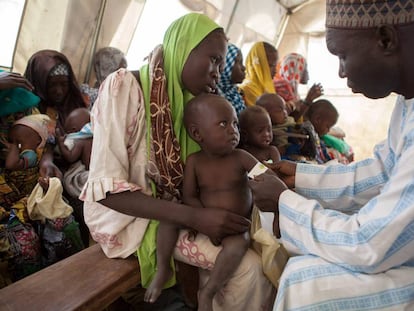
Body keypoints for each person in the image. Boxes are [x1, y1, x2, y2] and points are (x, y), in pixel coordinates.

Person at [80, 13, 273, 310]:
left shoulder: (195, 104)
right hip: (132, 221)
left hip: (181, 211)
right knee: (249, 269)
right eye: (212, 59)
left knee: (266, 245)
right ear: (183, 46)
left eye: (221, 64)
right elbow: (105, 191)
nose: (216, 72)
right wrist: (196, 217)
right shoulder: (125, 88)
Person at [248, 1, 414, 309]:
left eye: (342, 55)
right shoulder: (407, 103)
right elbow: (382, 171)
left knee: (306, 283)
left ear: (386, 40)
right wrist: (301, 178)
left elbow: (368, 245)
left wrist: (286, 204)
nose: (340, 71)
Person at [145, 93, 265, 311]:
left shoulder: (242, 157)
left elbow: (266, 177)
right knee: (169, 219)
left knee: (240, 243)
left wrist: (272, 177)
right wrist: (203, 221)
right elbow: (189, 195)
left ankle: (208, 291)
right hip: (201, 220)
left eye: (235, 124)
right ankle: (163, 268)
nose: (233, 130)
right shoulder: (194, 162)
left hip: (233, 226)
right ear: (197, 134)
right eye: (223, 124)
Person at [24, 49, 87, 134]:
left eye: (64, 84)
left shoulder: (76, 105)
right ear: (39, 83)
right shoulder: (23, 109)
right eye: (52, 85)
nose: (59, 91)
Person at [273, 52, 324, 122]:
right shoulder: (283, 88)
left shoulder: (290, 88)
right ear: (297, 69)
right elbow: (293, 118)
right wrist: (308, 99)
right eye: (304, 68)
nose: (307, 74)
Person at [239, 41, 278, 107]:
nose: (275, 71)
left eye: (275, 66)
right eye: (271, 65)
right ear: (258, 65)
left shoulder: (267, 87)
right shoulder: (247, 89)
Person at [302, 99, 338, 164]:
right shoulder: (305, 133)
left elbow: (325, 156)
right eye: (327, 126)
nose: (328, 130)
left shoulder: (318, 139)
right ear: (317, 119)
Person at [217, 43, 246, 116]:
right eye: (239, 62)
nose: (244, 68)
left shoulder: (234, 92)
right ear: (225, 66)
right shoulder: (216, 95)